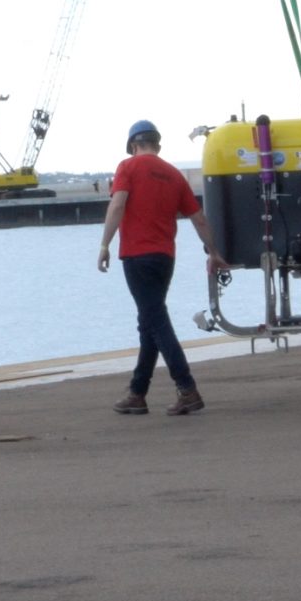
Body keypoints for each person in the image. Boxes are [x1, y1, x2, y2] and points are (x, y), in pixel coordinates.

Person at [96, 119, 227, 416]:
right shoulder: (174, 176)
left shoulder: (127, 168)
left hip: (136, 257)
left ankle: (187, 388)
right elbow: (200, 218)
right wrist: (213, 251)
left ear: (133, 145)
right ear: (158, 144)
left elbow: (117, 205)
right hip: (164, 258)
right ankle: (137, 393)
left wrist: (105, 244)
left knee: (156, 321)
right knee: (149, 323)